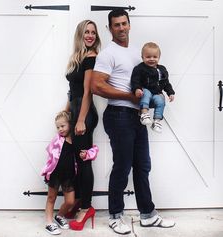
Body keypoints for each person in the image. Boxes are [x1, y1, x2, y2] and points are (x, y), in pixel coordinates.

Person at [91, 9, 175, 235]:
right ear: (109, 28)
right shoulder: (108, 54)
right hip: (119, 116)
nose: (121, 28)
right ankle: (115, 216)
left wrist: (160, 94)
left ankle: (147, 215)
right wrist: (130, 96)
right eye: (116, 25)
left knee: (143, 166)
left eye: (124, 24)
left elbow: (148, 79)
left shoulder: (138, 54)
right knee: (122, 167)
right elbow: (97, 86)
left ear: (129, 24)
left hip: (137, 117)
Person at [64, 19, 101, 231]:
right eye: (86, 32)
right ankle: (78, 200)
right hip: (76, 110)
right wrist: (66, 112)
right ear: (80, 34)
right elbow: (73, 90)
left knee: (84, 161)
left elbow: (88, 92)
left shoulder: (91, 57)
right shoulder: (77, 57)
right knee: (77, 161)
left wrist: (80, 120)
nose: (90, 36)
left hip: (85, 115)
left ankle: (86, 208)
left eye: (93, 33)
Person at [41, 111, 76, 235]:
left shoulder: (75, 139)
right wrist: (47, 171)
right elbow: (51, 157)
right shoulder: (57, 140)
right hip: (56, 173)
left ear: (70, 125)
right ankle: (49, 223)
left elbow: (89, 149)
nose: (60, 129)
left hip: (69, 175)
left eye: (63, 126)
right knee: (51, 198)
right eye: (58, 127)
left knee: (70, 201)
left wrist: (87, 154)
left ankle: (59, 215)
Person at [131, 42, 175, 133]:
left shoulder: (162, 69)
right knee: (146, 93)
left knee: (160, 101)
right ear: (142, 57)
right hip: (145, 89)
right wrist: (137, 89)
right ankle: (144, 113)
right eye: (148, 57)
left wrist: (170, 93)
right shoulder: (140, 68)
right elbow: (135, 80)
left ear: (159, 57)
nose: (151, 59)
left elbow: (166, 82)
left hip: (156, 92)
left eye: (155, 57)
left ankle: (157, 121)